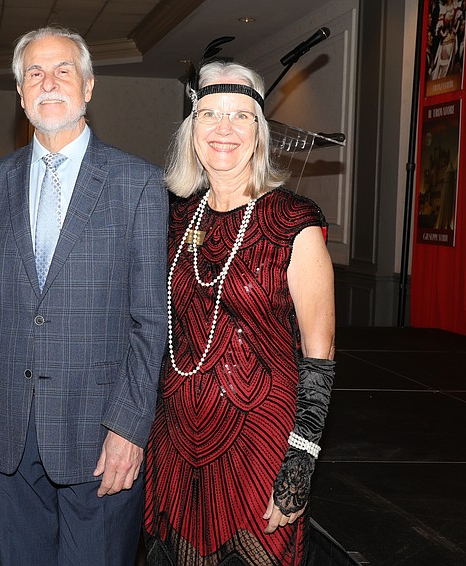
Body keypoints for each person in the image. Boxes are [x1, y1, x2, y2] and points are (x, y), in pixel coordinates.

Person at [0, 26, 168, 566]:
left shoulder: (137, 183)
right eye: (34, 74)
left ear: (89, 86)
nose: (48, 84)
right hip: (6, 432)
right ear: (21, 94)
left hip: (100, 438)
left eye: (63, 70)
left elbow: (150, 322)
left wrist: (129, 427)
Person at [143, 61, 336, 565]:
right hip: (174, 445)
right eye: (209, 114)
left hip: (262, 450)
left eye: (240, 115)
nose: (223, 129)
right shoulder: (173, 218)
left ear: (259, 133)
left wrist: (301, 461)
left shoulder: (295, 222)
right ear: (191, 130)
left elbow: (320, 358)